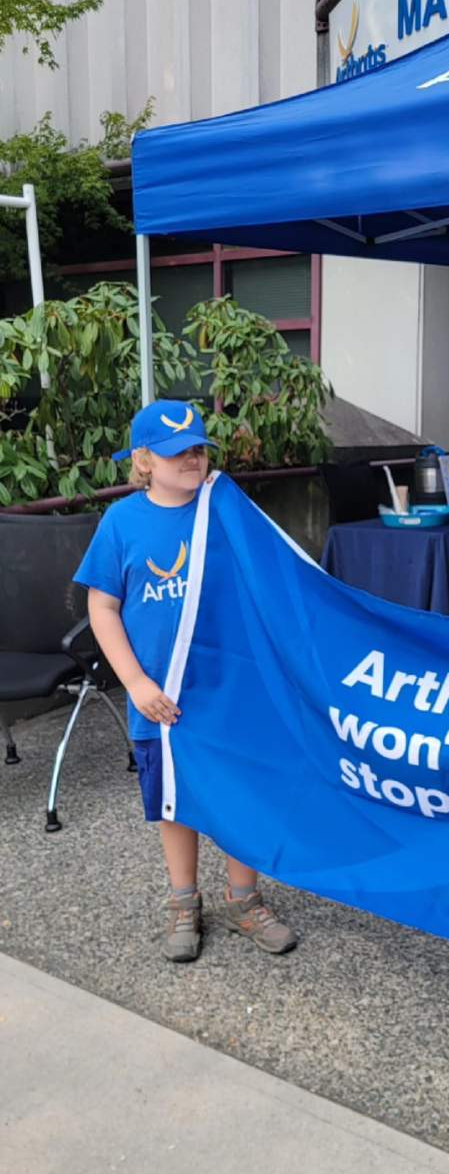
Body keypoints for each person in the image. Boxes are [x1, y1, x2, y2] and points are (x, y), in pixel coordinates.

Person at [74, 400, 297, 963]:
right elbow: (102, 608)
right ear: (144, 460)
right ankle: (183, 900)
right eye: (177, 453)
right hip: (163, 699)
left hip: (229, 692)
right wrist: (135, 683)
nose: (192, 459)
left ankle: (244, 897)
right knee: (175, 803)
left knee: (242, 792)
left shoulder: (224, 510)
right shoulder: (121, 522)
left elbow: (271, 578)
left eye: (198, 448)